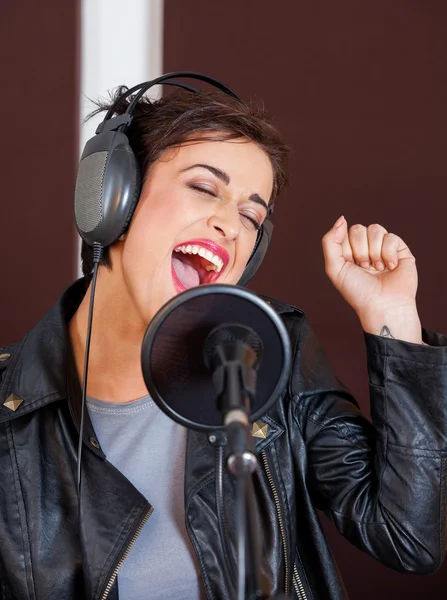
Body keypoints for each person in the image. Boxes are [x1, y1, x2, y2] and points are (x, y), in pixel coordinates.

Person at [1, 80, 447, 600]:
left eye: (251, 214)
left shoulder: (267, 350)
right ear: (111, 201)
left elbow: (407, 537)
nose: (230, 225)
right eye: (205, 188)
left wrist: (392, 317)